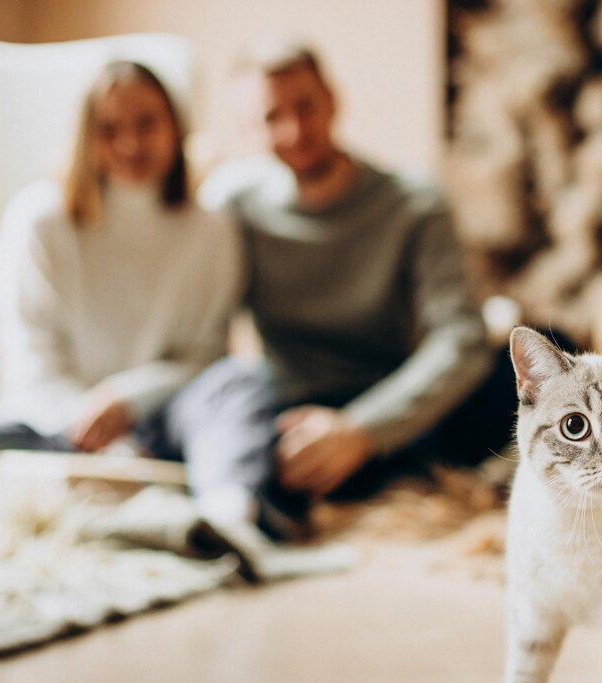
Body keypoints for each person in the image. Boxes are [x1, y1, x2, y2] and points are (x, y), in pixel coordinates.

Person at [189, 42, 510, 538]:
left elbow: (460, 337)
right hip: (289, 413)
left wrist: (362, 430)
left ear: (332, 99)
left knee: (531, 361)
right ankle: (250, 509)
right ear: (247, 128)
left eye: (305, 106)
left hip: (395, 407)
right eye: (272, 116)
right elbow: (197, 325)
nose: (294, 130)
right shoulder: (231, 204)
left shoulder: (413, 203)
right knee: (227, 414)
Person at [0, 61, 242, 495]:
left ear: (176, 126)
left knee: (240, 394)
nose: (131, 144)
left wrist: (127, 401)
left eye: (147, 123)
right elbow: (30, 364)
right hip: (61, 427)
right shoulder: (39, 222)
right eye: (110, 128)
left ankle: (227, 514)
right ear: (85, 136)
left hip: (163, 422)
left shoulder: (212, 228)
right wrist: (93, 426)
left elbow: (207, 357)